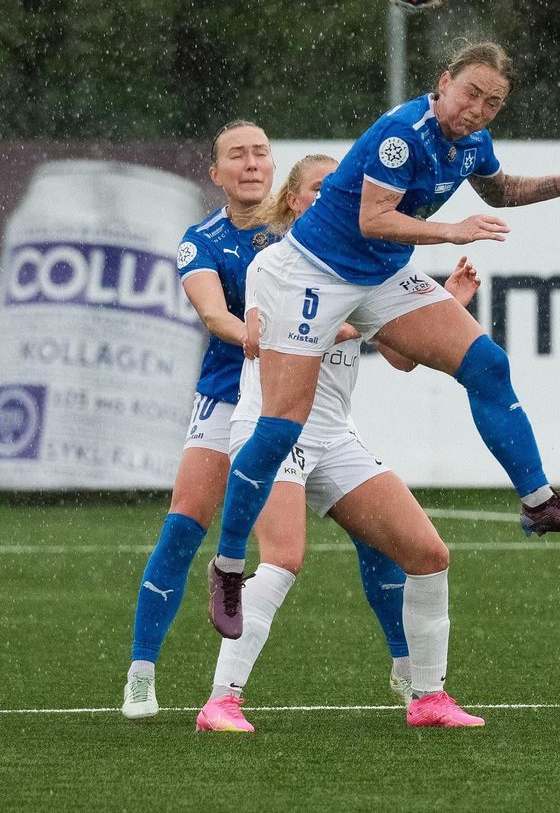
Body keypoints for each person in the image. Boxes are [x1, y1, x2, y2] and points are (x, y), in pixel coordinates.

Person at [209, 40, 560, 641]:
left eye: (493, 103)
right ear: (444, 82)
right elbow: (375, 218)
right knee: (281, 425)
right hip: (310, 271)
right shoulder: (403, 131)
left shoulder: (472, 141)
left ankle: (538, 501)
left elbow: (497, 191)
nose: (478, 109)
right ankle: (229, 565)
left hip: (381, 273)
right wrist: (451, 231)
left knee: (487, 364)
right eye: (471, 93)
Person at [121, 130, 408, 720]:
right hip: (232, 398)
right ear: (216, 173)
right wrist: (252, 333)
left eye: (260, 154)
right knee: (184, 527)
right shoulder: (203, 241)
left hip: (307, 407)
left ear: (274, 168)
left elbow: (374, 326)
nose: (251, 164)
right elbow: (213, 314)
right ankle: (142, 672)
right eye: (237, 156)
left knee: (378, 536)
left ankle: (408, 669)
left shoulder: (314, 232)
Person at [198, 155, 486, 731]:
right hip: (270, 432)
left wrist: (447, 304)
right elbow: (256, 340)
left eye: (340, 188)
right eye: (319, 188)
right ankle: (221, 701)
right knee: (283, 559)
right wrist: (349, 317)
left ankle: (428, 698)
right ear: (294, 202)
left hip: (333, 437)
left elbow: (404, 359)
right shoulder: (272, 265)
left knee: (428, 555)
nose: (333, 195)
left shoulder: (369, 266)